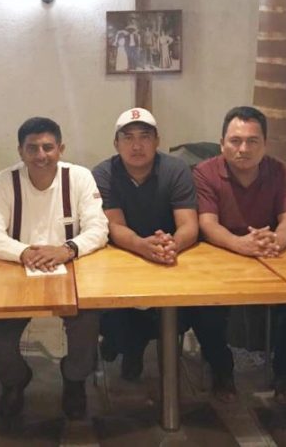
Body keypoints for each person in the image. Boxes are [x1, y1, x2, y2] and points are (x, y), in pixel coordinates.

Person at [92, 109, 231, 396]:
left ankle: (222, 371)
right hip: (125, 258)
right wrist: (143, 246)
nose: (137, 145)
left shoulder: (176, 169)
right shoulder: (104, 173)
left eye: (145, 137)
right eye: (128, 138)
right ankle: (130, 347)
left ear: (157, 141)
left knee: (208, 307)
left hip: (174, 258)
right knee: (112, 314)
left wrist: (171, 245)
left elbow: (189, 225)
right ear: (116, 143)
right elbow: (114, 226)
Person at [0, 117, 108, 420]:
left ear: (61, 148)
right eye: (32, 148)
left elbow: (99, 228)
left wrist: (66, 250)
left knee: (87, 324)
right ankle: (14, 380)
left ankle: (74, 379)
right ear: (20, 151)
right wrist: (24, 252)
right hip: (16, 270)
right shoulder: (3, 181)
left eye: (48, 147)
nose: (41, 155)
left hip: (70, 269)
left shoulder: (79, 177)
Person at [194, 106, 286, 404]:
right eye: (235, 141)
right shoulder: (205, 172)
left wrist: (277, 239)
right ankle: (222, 369)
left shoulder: (280, 171)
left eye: (252, 141)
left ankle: (285, 371)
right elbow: (207, 223)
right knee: (203, 307)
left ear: (265, 144)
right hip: (222, 256)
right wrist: (240, 244)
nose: (243, 149)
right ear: (222, 143)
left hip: (270, 254)